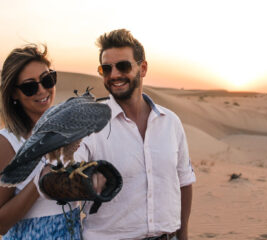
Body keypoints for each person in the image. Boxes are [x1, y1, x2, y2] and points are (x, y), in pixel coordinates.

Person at [74, 29, 196, 240]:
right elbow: (68, 173)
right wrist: (82, 179)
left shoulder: (171, 122)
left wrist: (183, 235)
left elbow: (184, 181)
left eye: (123, 66)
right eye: (106, 69)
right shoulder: (89, 125)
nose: (114, 75)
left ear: (143, 68)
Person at [0, 45, 81, 239]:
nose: (42, 90)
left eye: (47, 80)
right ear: (14, 93)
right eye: (29, 87)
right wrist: (40, 182)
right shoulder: (9, 142)